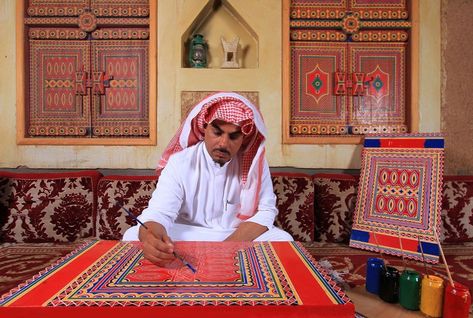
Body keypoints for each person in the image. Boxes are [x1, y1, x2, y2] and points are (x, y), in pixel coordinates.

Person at [123, 92, 293, 265]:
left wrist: (225, 248)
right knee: (133, 235)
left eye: (233, 136)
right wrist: (151, 238)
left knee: (283, 239)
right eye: (217, 132)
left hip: (235, 234)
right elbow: (159, 212)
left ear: (244, 137)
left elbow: (265, 211)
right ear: (204, 128)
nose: (223, 143)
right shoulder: (180, 162)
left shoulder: (255, 164)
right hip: (188, 233)